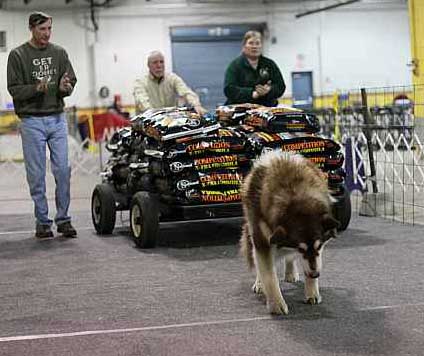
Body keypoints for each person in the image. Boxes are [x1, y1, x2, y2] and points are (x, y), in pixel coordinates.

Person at [7, 12, 78, 239]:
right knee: (36, 175)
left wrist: (66, 87)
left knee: (63, 171)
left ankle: (64, 220)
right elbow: (14, 89)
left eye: (49, 29)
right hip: (31, 121)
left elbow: (69, 82)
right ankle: (42, 222)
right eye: (42, 29)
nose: (46, 34)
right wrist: (36, 89)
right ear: (31, 28)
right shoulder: (17, 55)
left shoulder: (59, 53)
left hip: (57, 118)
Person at [133, 50, 207, 115]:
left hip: (170, 121)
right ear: (148, 65)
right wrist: (152, 113)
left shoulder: (172, 78)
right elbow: (142, 101)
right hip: (149, 122)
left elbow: (186, 92)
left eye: (161, 62)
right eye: (155, 62)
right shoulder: (140, 82)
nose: (159, 65)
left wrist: (196, 105)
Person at [224, 30, 286, 107]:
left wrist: (268, 90)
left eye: (257, 43)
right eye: (251, 43)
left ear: (261, 46)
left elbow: (280, 86)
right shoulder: (235, 66)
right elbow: (229, 89)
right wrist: (252, 93)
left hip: (267, 108)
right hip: (241, 109)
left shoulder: (270, 64)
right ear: (244, 46)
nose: (254, 46)